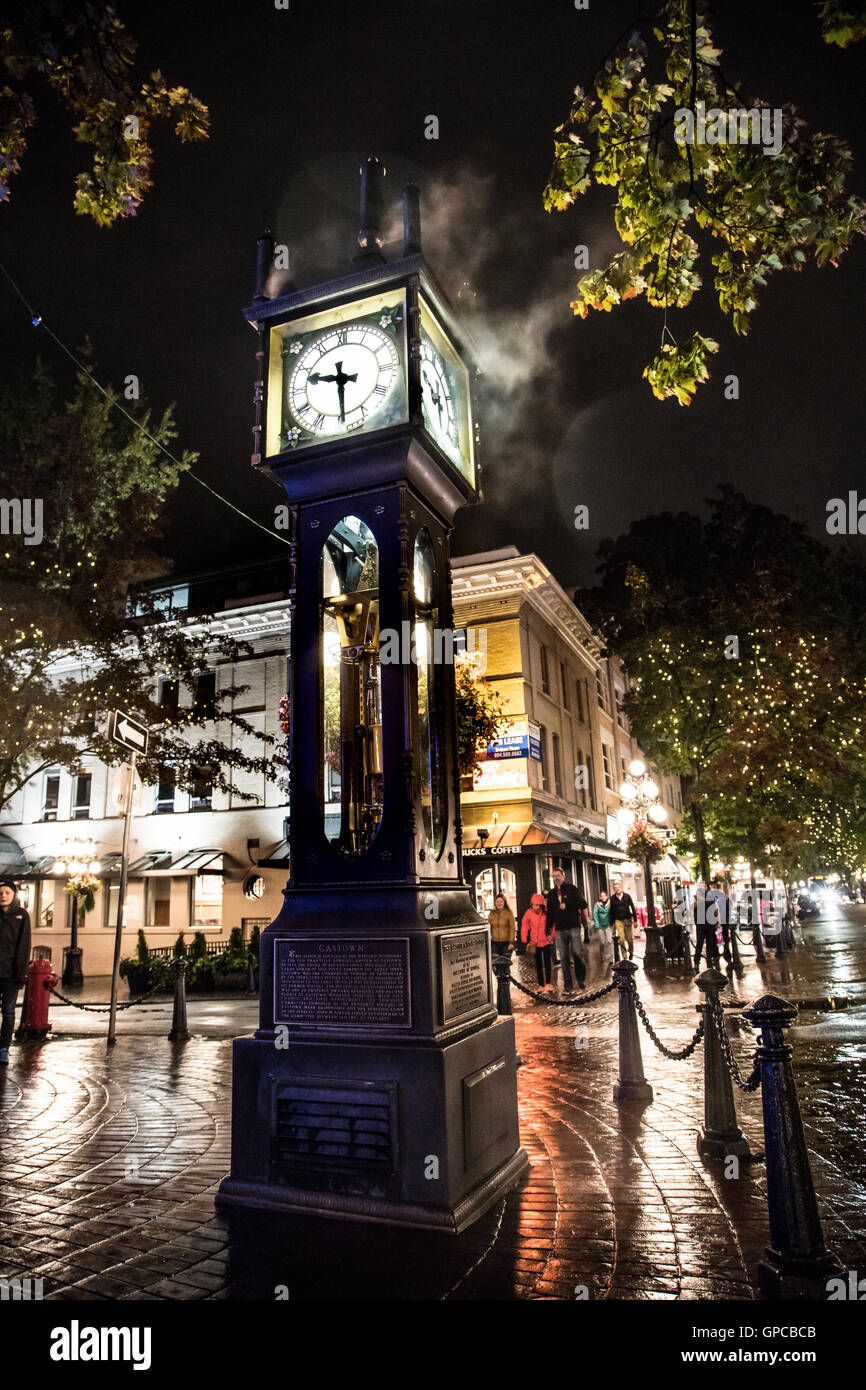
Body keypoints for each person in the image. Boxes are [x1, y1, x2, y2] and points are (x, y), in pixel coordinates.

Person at [0, 879, 31, 1063]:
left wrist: (21, 972)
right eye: (1, 893)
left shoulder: (21, 915)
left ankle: (4, 1047)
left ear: (13, 895)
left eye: (7, 893)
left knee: (8, 1011)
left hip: (11, 973)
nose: (3, 896)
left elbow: (24, 945)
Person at [545, 868, 587, 992]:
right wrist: (547, 931)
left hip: (573, 926)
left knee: (577, 953)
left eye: (558, 875)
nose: (556, 878)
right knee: (563, 957)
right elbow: (550, 914)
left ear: (563, 876)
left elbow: (583, 904)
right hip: (559, 929)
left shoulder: (572, 889)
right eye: (554, 876)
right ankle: (568, 984)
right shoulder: (551, 894)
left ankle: (580, 979)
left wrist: (568, 904)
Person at [521, 893, 554, 993]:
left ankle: (548, 983)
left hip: (546, 941)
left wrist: (552, 936)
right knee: (538, 964)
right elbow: (525, 925)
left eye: (537, 905)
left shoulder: (546, 913)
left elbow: (552, 925)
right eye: (533, 905)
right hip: (535, 942)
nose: (535, 907)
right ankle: (541, 985)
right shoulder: (529, 913)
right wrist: (524, 938)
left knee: (548, 963)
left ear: (541, 905)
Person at [693, 880, 721, 971]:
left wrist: (716, 922)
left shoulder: (704, 899)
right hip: (704, 924)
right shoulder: (699, 900)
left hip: (707, 924)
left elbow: (715, 911)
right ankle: (701, 962)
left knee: (706, 943)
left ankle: (705, 962)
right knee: (701, 943)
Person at [608, 882, 638, 961]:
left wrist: (635, 920)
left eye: (618, 887)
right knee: (621, 940)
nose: (617, 889)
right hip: (618, 921)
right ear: (614, 889)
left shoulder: (627, 897)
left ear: (621, 888)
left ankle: (631, 952)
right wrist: (612, 924)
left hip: (627, 920)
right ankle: (625, 957)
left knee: (629, 940)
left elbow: (632, 907)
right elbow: (611, 911)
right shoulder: (612, 898)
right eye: (615, 888)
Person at [488, 893, 516, 958]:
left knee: (505, 964)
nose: (499, 903)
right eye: (497, 901)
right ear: (495, 903)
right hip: (494, 943)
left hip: (506, 942)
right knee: (496, 963)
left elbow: (512, 928)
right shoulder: (491, 913)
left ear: (504, 903)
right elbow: (489, 927)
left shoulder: (509, 913)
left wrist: (511, 942)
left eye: (501, 901)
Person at [592, 889, 614, 967]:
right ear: (600, 897)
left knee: (609, 941)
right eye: (601, 896)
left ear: (607, 896)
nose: (603, 897)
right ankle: (602, 955)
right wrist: (597, 924)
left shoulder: (610, 903)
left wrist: (612, 922)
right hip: (600, 925)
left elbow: (612, 912)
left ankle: (610, 958)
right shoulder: (597, 904)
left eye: (604, 895)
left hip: (608, 925)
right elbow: (595, 914)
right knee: (602, 942)